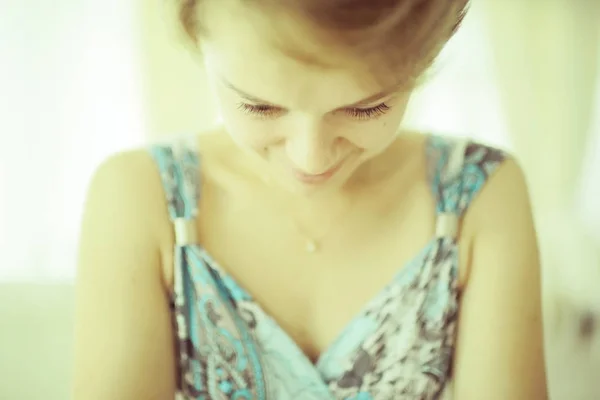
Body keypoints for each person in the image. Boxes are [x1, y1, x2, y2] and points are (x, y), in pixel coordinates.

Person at [72, 0, 548, 399]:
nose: (311, 157)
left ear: (425, 59)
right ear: (196, 35)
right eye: (259, 105)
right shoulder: (143, 197)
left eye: (366, 107)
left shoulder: (479, 195)